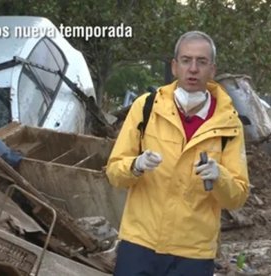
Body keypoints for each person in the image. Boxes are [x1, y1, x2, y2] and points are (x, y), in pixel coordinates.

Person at [106, 30, 249, 276]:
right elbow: (114, 173)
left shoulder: (228, 124)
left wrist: (219, 177)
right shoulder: (146, 108)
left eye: (201, 62)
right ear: (174, 66)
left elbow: (236, 197)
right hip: (140, 245)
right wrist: (136, 165)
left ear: (212, 70)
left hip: (192, 254)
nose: (193, 69)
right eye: (186, 60)